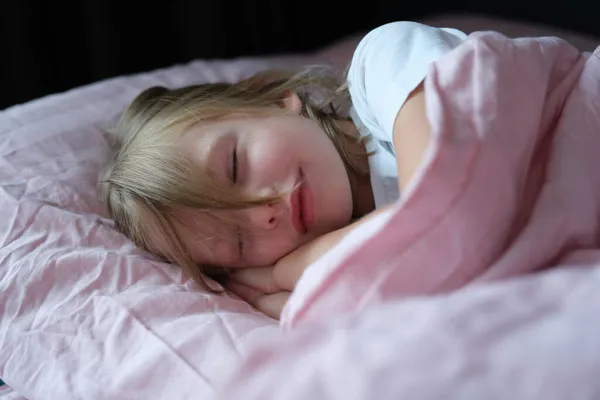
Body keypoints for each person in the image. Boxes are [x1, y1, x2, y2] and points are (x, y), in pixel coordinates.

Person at [99, 21, 468, 319]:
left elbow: (437, 200)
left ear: (274, 99)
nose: (263, 213)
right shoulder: (357, 273)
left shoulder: (386, 62)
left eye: (234, 168)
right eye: (239, 242)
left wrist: (288, 271)